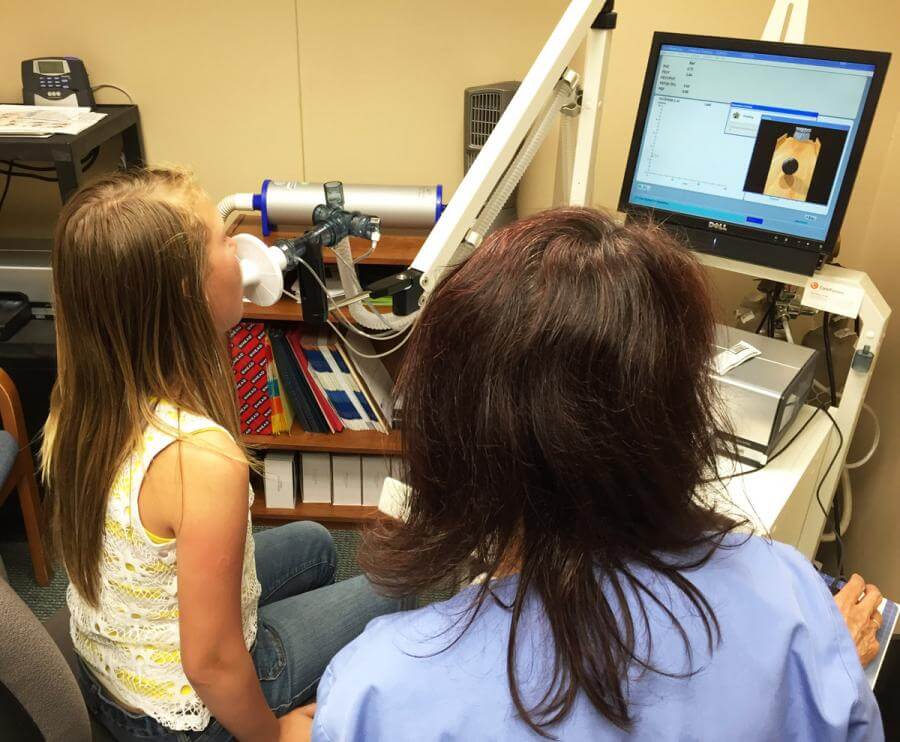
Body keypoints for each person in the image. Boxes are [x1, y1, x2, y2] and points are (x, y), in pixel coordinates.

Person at [312, 207, 884, 741]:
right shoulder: (794, 596)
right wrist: (824, 658)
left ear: (455, 434)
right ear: (683, 411)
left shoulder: (376, 693)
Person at [42, 167, 401, 742]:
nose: (241, 249)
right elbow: (209, 662)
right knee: (397, 585)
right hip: (178, 715)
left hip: (112, 661)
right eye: (220, 239)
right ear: (190, 293)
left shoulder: (83, 394)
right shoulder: (202, 460)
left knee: (313, 543)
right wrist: (273, 736)